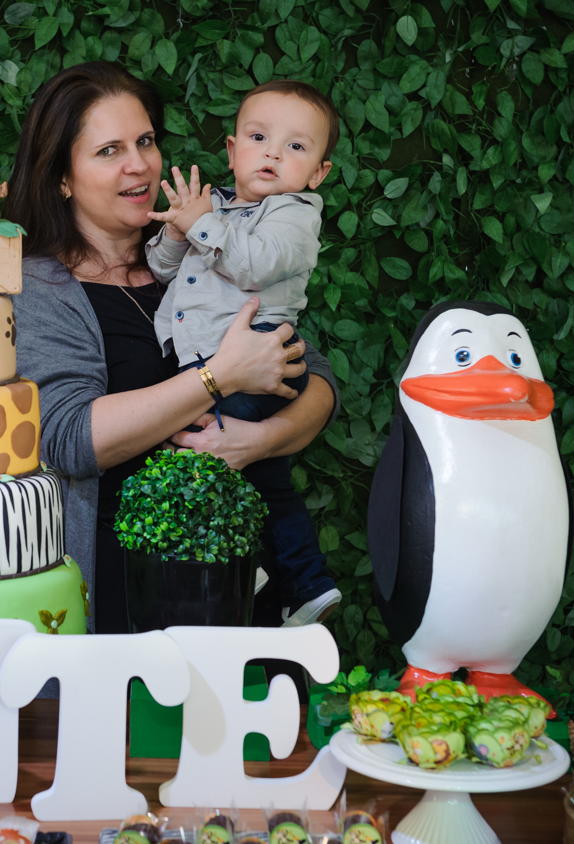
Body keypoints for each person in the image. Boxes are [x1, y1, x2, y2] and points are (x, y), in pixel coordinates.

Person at [6, 61, 341, 634]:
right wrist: (219, 378)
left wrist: (259, 442)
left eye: (145, 141)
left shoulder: (193, 255)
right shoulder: (37, 287)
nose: (138, 164)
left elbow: (313, 375)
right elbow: (68, 439)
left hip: (231, 586)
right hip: (123, 595)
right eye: (109, 151)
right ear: (63, 177)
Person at [143, 80, 341, 627]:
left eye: (297, 147)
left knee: (193, 459)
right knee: (266, 479)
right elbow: (162, 270)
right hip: (215, 368)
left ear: (318, 172)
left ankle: (238, 562)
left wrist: (202, 225)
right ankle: (305, 586)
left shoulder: (295, 215)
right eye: (258, 137)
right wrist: (184, 225)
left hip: (261, 364)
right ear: (232, 152)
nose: (274, 153)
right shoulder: (219, 212)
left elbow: (254, 264)